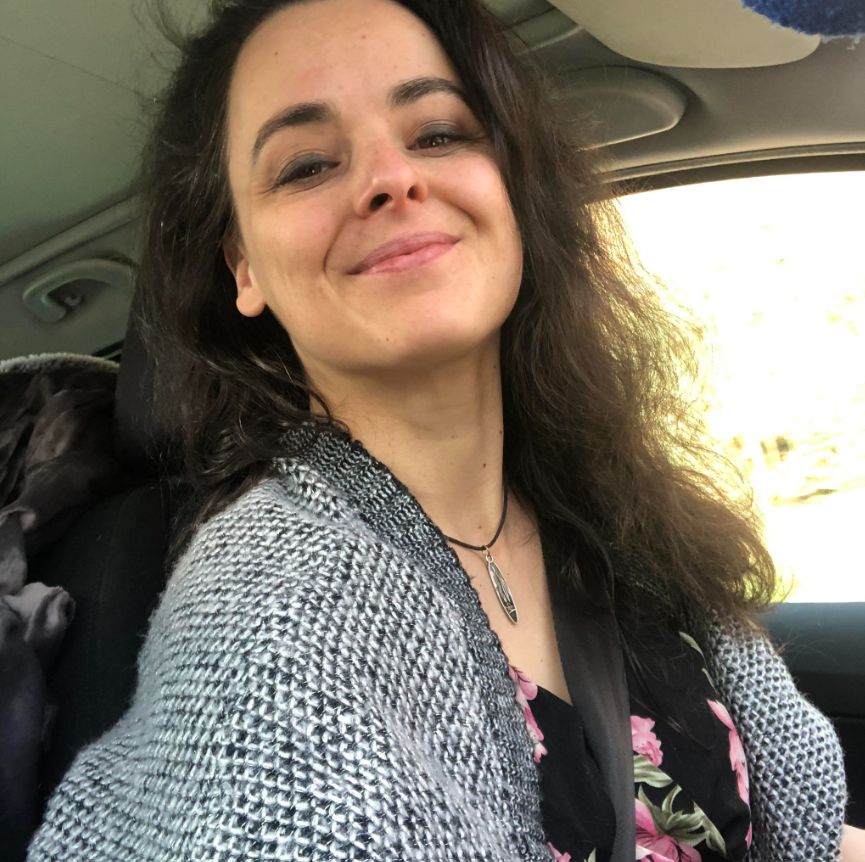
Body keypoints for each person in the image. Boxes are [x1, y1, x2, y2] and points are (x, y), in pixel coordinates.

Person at [26, 0, 864, 859]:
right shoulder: (269, 613)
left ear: (511, 191)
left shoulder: (612, 508)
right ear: (244, 267)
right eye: (307, 165)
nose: (391, 177)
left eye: (437, 134)